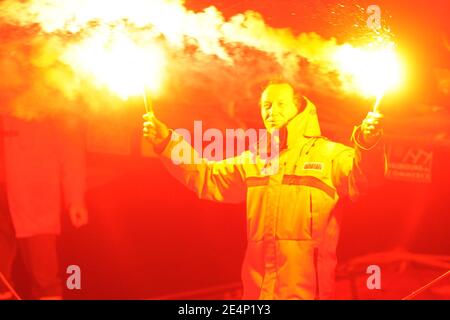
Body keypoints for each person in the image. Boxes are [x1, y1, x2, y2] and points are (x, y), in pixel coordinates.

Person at [143, 81, 386, 299]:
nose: (272, 111)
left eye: (281, 104)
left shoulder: (329, 155)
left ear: (298, 108)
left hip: (308, 294)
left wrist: (367, 142)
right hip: (258, 293)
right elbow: (207, 176)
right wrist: (167, 142)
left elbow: (365, 177)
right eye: (266, 105)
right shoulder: (256, 160)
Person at [0, 114, 88, 300]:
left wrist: (75, 198)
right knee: (1, 282)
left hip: (34, 201)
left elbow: (71, 148)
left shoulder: (53, 93)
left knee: (45, 279)